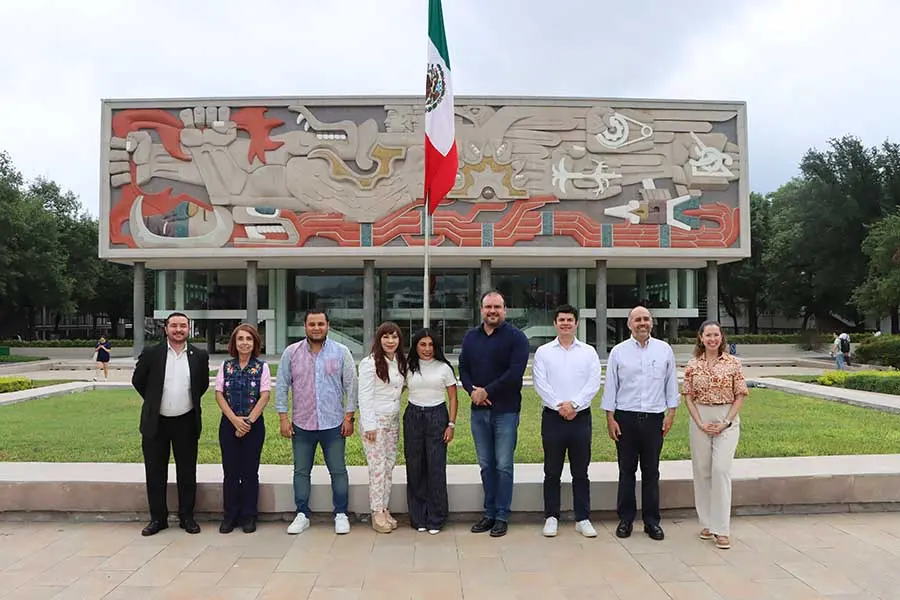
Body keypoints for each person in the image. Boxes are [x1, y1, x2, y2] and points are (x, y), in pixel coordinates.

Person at [275, 308, 358, 536]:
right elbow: (282, 385)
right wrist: (283, 417)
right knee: (301, 471)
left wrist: (349, 417)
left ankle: (341, 513)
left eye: (320, 324)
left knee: (338, 470)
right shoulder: (291, 353)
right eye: (312, 324)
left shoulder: (341, 352)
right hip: (302, 424)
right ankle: (302, 514)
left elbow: (351, 385)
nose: (316, 328)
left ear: (327, 325)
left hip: (334, 423)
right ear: (305, 327)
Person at [601, 305, 679, 541]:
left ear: (651, 323)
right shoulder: (618, 352)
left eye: (646, 319)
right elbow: (611, 386)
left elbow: (671, 383)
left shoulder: (664, 350)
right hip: (625, 418)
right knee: (626, 472)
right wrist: (610, 418)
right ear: (629, 324)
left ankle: (651, 522)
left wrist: (671, 413)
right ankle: (625, 520)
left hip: (654, 418)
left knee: (651, 472)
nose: (642, 323)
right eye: (637, 320)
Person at [458, 290, 529, 538]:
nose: (492, 311)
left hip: (506, 411)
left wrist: (486, 390)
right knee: (486, 465)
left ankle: (501, 516)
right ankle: (488, 513)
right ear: (481, 309)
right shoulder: (470, 337)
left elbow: (515, 373)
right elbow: (463, 368)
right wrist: (472, 391)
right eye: (488, 307)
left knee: (504, 465)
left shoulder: (517, 338)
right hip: (478, 412)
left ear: (505, 310)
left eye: (497, 307)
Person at [132, 312, 210, 536]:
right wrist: (155, 400)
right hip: (156, 422)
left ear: (188, 329)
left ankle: (187, 517)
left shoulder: (199, 355)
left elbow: (201, 385)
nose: (178, 330)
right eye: (174, 326)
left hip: (186, 421)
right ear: (166, 329)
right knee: (155, 472)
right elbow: (138, 381)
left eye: (183, 326)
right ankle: (158, 518)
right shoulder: (151, 353)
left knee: (187, 471)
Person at [532, 304, 602, 538]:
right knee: (552, 470)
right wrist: (559, 406)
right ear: (555, 323)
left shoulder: (588, 352)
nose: (565, 323)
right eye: (561, 320)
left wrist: (574, 405)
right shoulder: (543, 352)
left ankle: (583, 518)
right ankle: (551, 517)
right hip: (553, 418)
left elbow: (593, 383)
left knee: (580, 470)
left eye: (570, 320)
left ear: (577, 323)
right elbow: (540, 383)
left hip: (580, 417)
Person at [683, 320, 748, 550]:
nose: (712, 339)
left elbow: (740, 394)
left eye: (716, 335)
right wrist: (699, 421)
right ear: (701, 337)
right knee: (702, 470)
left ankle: (722, 528)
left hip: (726, 418)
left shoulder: (733, 363)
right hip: (700, 416)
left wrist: (727, 421)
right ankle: (707, 523)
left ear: (722, 338)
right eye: (708, 335)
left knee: (720, 469)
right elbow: (688, 396)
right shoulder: (692, 365)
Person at [214, 323, 271, 534]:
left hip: (253, 426)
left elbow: (264, 396)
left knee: (249, 472)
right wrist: (234, 420)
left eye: (249, 339)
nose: (244, 343)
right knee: (230, 472)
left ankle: (249, 516)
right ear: (234, 343)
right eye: (240, 339)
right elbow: (219, 394)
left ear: (255, 343)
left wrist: (247, 423)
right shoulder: (225, 366)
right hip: (228, 425)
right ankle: (230, 515)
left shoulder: (262, 367)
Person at [404, 328, 458, 534]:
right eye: (422, 344)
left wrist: (451, 424)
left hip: (437, 416)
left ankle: (436, 517)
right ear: (416, 346)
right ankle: (418, 517)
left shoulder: (444, 368)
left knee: (436, 467)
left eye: (430, 345)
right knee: (415, 466)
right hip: (413, 416)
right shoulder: (408, 367)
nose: (427, 349)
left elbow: (453, 397)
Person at [358, 322, 407, 534]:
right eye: (386, 337)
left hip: (392, 420)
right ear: (379, 339)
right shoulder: (369, 364)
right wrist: (369, 424)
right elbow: (365, 396)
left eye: (394, 337)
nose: (390, 341)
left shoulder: (399, 362)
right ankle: (376, 511)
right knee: (377, 469)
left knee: (388, 467)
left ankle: (384, 507)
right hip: (375, 422)